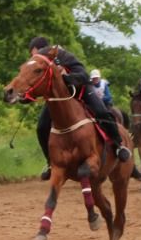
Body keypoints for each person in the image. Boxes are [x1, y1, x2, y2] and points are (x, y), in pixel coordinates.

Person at [30, 36, 132, 180]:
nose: (33, 58)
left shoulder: (63, 55)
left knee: (102, 112)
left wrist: (66, 77)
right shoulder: (37, 67)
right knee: (41, 127)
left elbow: (83, 75)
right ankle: (50, 162)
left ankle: (119, 145)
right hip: (60, 100)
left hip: (82, 91)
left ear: (41, 50)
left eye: (33, 53)